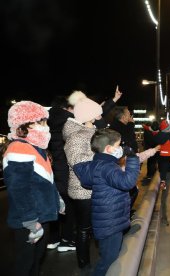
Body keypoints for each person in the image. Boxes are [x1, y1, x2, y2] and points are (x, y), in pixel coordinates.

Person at [2, 101, 64, 275]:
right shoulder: (19, 149)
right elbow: (19, 190)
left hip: (40, 216)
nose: (46, 127)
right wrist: (30, 221)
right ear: (24, 125)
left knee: (35, 261)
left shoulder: (35, 148)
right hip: (28, 221)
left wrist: (56, 200)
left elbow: (45, 181)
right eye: (41, 122)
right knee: (25, 264)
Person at [72, 129, 139, 275]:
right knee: (109, 260)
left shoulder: (98, 164)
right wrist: (132, 158)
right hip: (110, 223)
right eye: (119, 145)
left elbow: (89, 182)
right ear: (109, 149)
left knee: (110, 256)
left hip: (108, 220)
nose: (121, 148)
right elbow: (127, 182)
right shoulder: (107, 167)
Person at [63, 97, 103, 270]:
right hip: (83, 189)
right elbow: (78, 162)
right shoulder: (76, 136)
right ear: (89, 116)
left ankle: (102, 259)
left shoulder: (92, 132)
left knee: (97, 225)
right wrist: (103, 157)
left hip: (96, 187)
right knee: (84, 229)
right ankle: (84, 264)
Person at [46, 96, 76, 252]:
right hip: (66, 166)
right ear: (66, 108)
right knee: (69, 204)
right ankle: (67, 239)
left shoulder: (45, 119)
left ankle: (53, 238)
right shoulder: (70, 119)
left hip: (50, 167)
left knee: (55, 203)